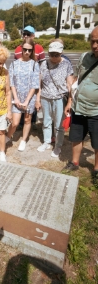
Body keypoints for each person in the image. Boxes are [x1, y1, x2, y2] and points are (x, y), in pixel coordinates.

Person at [63, 26, 98, 182]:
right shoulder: (85, 57)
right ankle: (75, 162)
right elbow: (76, 80)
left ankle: (97, 169)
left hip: (96, 111)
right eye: (93, 41)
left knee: (97, 142)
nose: (95, 45)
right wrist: (70, 101)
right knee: (76, 137)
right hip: (78, 107)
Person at [37, 41, 73, 157]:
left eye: (56, 55)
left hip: (59, 98)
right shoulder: (43, 64)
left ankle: (58, 146)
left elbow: (70, 84)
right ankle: (47, 142)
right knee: (46, 121)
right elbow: (39, 84)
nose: (53, 57)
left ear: (61, 53)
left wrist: (70, 101)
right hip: (45, 97)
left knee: (58, 125)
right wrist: (38, 99)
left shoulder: (66, 64)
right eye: (51, 54)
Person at [6, 38, 40, 151]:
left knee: (27, 120)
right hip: (17, 97)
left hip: (29, 98)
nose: (27, 52)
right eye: (25, 49)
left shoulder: (35, 64)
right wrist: (15, 98)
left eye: (29, 50)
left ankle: (24, 140)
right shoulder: (14, 64)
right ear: (21, 48)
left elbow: (35, 85)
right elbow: (12, 83)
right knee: (15, 122)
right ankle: (8, 136)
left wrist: (27, 101)